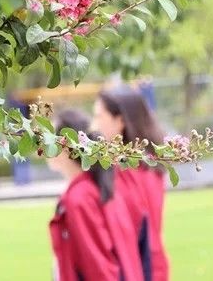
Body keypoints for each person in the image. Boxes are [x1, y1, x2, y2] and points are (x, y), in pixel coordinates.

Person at [48, 108, 142, 281]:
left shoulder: (80, 198)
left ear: (68, 148)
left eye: (50, 140)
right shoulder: (96, 188)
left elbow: (97, 266)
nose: (44, 145)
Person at [92, 88, 169, 281]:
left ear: (120, 122)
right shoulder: (148, 165)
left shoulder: (126, 170)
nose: (95, 125)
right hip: (149, 264)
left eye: (100, 116)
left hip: (136, 266)